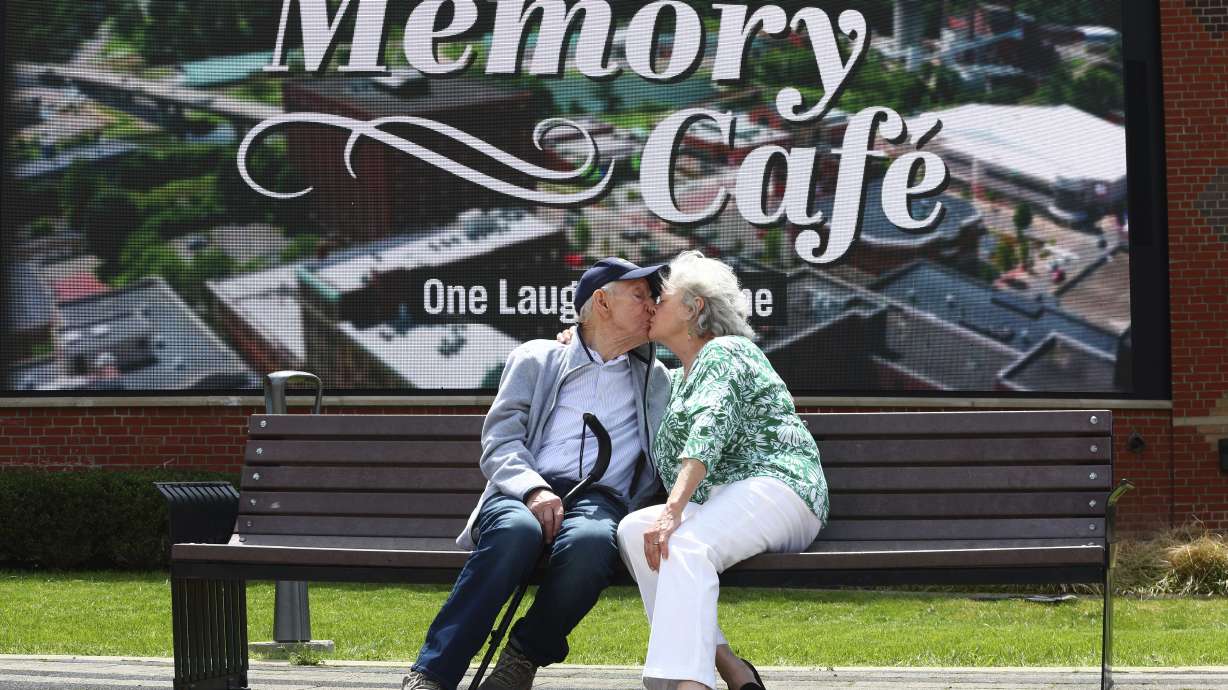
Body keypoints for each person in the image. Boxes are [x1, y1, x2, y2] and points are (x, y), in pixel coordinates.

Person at [401, 258, 672, 690]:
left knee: (590, 544)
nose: (652, 305)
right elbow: (500, 442)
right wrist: (533, 490)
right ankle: (432, 674)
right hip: (523, 489)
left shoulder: (656, 378)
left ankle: (521, 658)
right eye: (639, 295)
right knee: (516, 532)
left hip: (600, 499)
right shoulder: (537, 358)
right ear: (602, 303)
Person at [618, 250, 829, 690]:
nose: (652, 305)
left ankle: (686, 685)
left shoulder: (726, 351)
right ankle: (729, 666)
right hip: (725, 502)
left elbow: (709, 429)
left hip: (780, 489)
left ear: (693, 307)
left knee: (684, 543)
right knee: (636, 531)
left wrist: (673, 510)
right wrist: (576, 339)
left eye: (662, 297)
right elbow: (617, 363)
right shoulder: (677, 380)